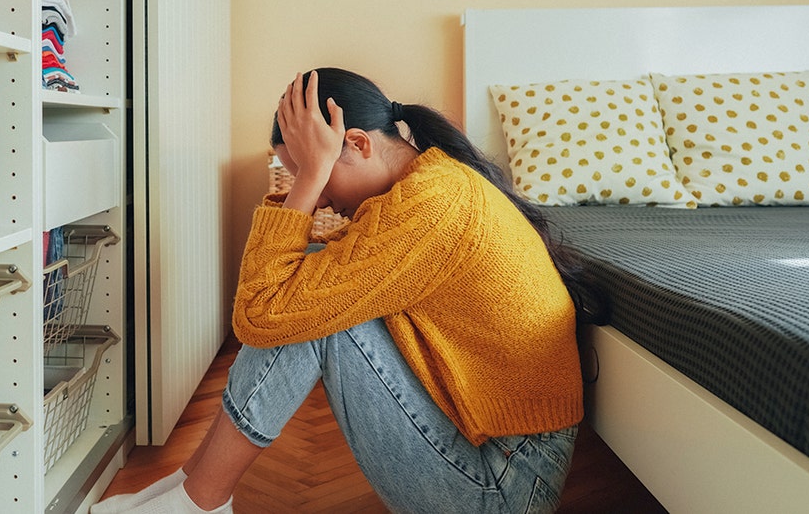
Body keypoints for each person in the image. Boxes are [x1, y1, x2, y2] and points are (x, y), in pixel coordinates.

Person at [92, 68, 588, 514]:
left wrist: (307, 182)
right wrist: (312, 177)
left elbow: (262, 311)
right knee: (311, 287)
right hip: (492, 451)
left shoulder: (433, 204)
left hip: (504, 486)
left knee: (306, 303)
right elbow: (282, 295)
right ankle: (192, 488)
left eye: (319, 173)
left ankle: (198, 502)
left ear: (358, 144)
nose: (319, 196)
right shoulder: (426, 186)